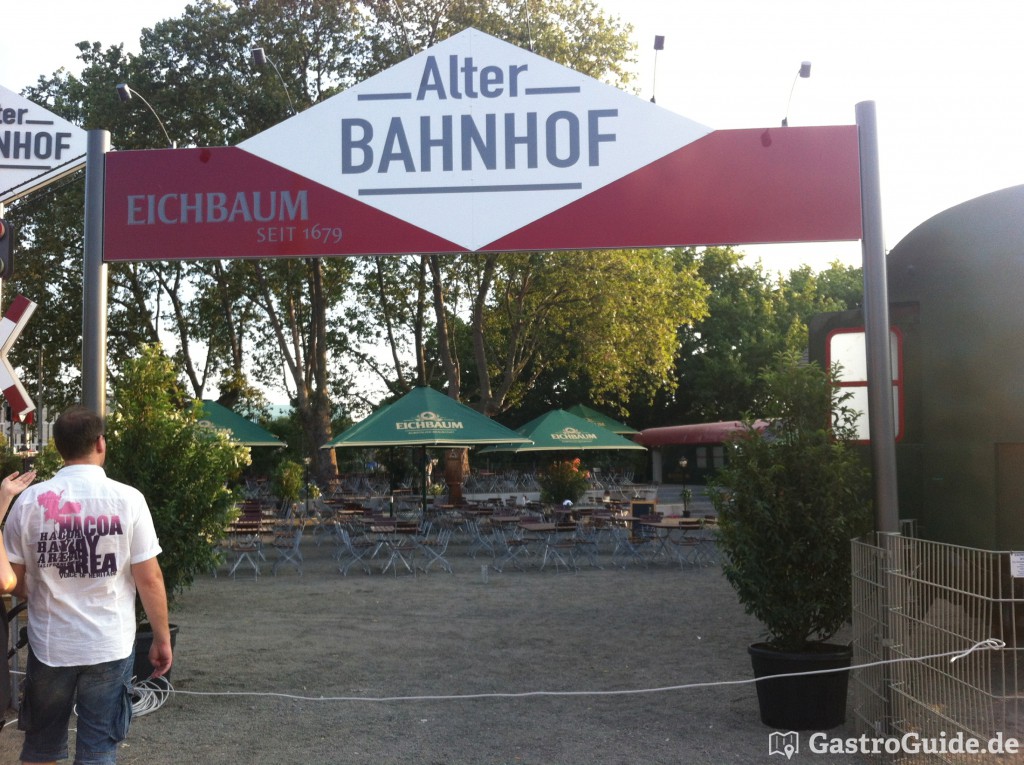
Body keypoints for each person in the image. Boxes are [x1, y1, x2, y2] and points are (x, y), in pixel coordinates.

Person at [3, 406, 172, 765]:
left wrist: (48, 585)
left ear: (59, 447)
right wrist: (161, 638)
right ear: (100, 443)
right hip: (109, 644)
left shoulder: (29, 502)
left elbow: (12, 580)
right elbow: (150, 577)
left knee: (41, 749)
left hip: (51, 644)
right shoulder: (129, 499)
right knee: (99, 750)